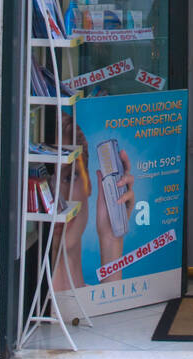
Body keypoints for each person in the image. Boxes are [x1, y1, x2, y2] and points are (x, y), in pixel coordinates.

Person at [50, 114, 136, 291]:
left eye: (69, 177)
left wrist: (111, 241)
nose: (57, 199)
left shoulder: (95, 301)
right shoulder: (26, 307)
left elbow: (110, 311)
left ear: (88, 183)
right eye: (45, 183)